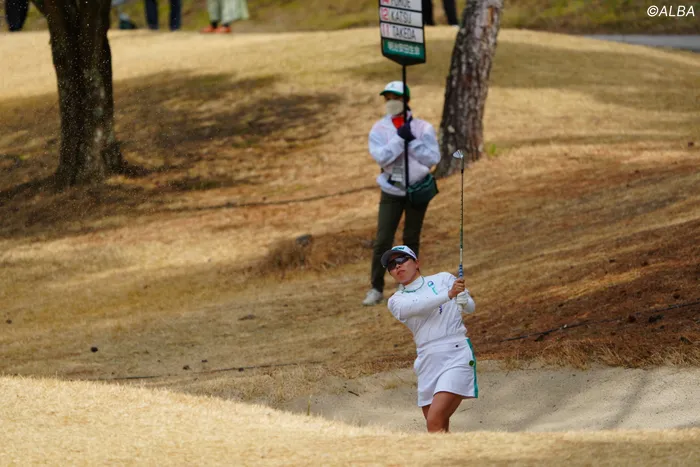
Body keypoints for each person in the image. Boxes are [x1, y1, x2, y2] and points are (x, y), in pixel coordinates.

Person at [382, 245, 477, 433]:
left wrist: (463, 299)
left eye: (401, 260)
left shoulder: (444, 279)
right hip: (427, 360)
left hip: (455, 353)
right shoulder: (396, 300)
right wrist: (448, 295)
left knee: (434, 420)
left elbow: (470, 308)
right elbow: (417, 306)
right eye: (391, 265)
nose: (397, 266)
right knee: (437, 429)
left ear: (417, 263)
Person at [362, 81, 440, 306]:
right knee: (383, 239)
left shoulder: (422, 128)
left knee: (411, 237)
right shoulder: (379, 129)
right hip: (392, 190)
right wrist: (399, 139)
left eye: (395, 98)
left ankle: (408, 283)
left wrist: (412, 141)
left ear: (406, 100)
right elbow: (382, 158)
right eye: (387, 99)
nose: (391, 103)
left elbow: (432, 158)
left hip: (416, 190)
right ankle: (376, 287)